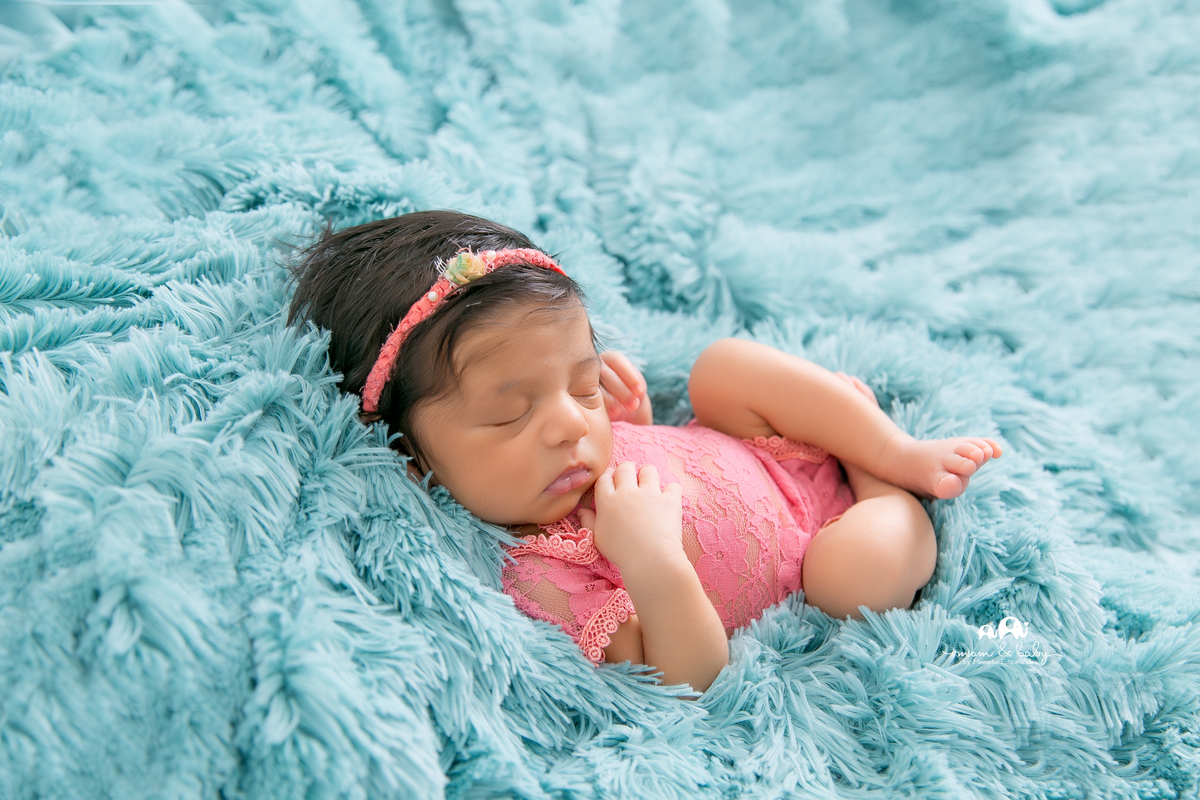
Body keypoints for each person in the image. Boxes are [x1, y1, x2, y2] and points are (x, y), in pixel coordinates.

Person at [287, 210, 1002, 693]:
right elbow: (690, 675)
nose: (570, 424)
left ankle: (889, 445)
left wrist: (637, 420)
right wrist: (654, 562)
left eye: (581, 382)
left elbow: (667, 456)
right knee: (851, 579)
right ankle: (881, 484)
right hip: (816, 542)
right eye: (511, 414)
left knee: (719, 368)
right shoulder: (539, 577)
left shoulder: (574, 447)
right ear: (413, 456)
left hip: (754, 449)